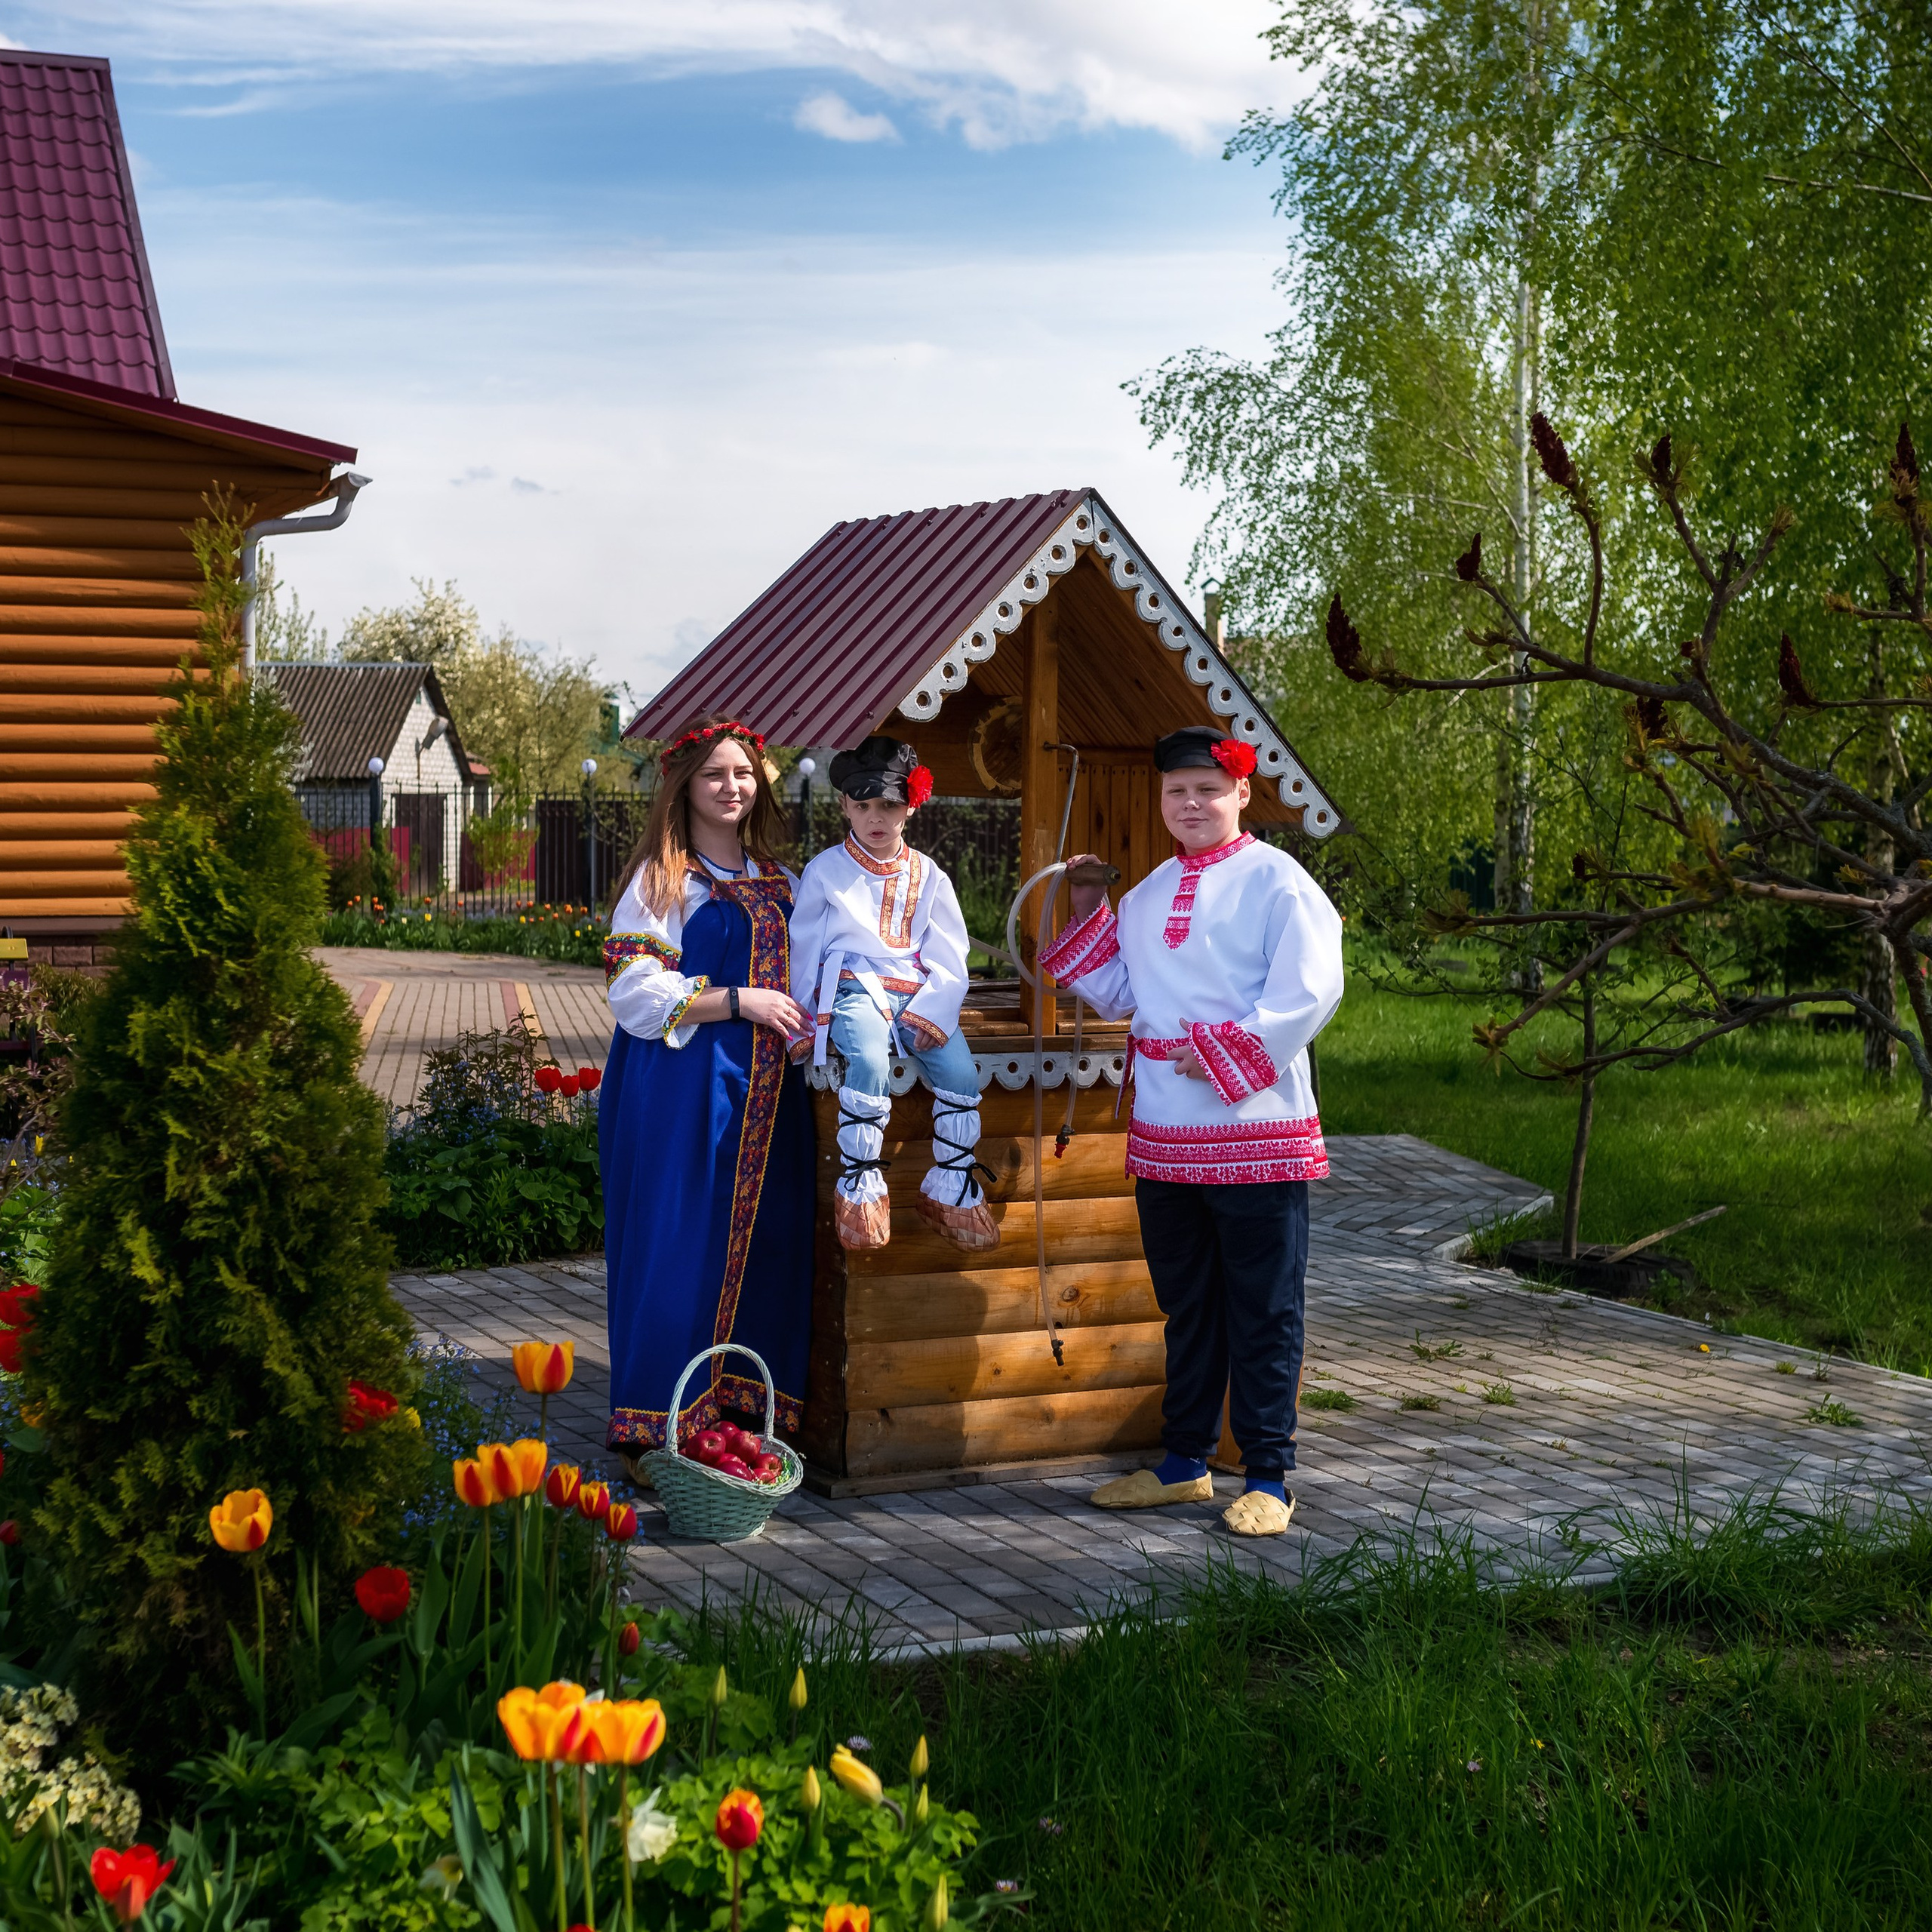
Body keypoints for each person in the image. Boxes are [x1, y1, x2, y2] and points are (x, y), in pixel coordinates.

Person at [1039, 725, 1343, 1537]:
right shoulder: (1145, 894)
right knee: (1186, 1304)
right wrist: (1087, 907)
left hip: (1255, 1126)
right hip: (1167, 1132)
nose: (1191, 803)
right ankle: (1184, 1462)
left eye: (1208, 789)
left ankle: (1270, 1475)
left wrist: (1227, 1050)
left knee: (1264, 1306)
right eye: (1177, 791)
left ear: (1242, 792)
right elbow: (1119, 994)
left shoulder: (1280, 882)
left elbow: (1313, 987)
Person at [599, 715, 814, 1468]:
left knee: (768, 1246)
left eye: (744, 773)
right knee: (678, 1247)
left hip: (771, 1099)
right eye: (716, 773)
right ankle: (654, 1430)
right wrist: (739, 1001)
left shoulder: (784, 880)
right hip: (681, 1092)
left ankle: (736, 1426)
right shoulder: (664, 880)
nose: (732, 786)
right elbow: (633, 992)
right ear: (684, 785)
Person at [787, 734, 996, 1254]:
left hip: (918, 991)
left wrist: (935, 1012)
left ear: (911, 805)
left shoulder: (929, 874)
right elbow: (804, 948)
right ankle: (859, 1185)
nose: (875, 818)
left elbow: (949, 951)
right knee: (869, 1059)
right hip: (852, 984)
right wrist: (802, 1020)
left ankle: (952, 1187)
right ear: (844, 806)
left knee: (961, 1075)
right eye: (862, 806)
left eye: (888, 805)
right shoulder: (825, 871)